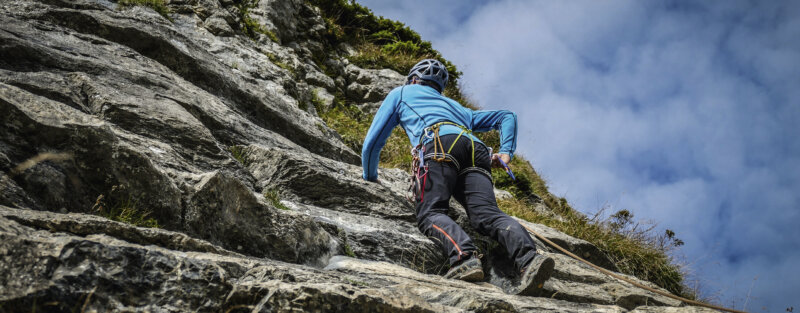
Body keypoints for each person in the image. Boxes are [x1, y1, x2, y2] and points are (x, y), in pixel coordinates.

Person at [360, 59, 555, 295]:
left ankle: (465, 258)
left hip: (439, 145)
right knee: (487, 215)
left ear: (413, 79)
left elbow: (373, 142)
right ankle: (529, 260)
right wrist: (505, 152)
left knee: (431, 213)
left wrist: (369, 177)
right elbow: (507, 116)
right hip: (477, 150)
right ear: (439, 88)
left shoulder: (402, 92)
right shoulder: (459, 108)